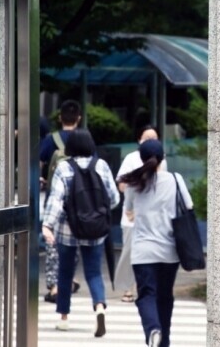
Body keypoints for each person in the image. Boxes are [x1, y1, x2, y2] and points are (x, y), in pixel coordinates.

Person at [42, 129, 120, 336]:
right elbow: (114, 198)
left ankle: (64, 318)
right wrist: (97, 212)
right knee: (94, 272)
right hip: (95, 229)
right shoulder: (101, 166)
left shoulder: (63, 167)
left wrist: (47, 225)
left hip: (68, 230)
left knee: (65, 272)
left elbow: (56, 200)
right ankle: (99, 308)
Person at [121, 139, 193, 347]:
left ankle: (153, 329)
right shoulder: (175, 179)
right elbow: (189, 206)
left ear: (141, 158)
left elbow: (128, 210)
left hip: (143, 252)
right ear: (163, 158)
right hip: (170, 251)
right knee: (165, 297)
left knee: (146, 295)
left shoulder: (134, 183)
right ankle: (164, 342)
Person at [114, 125, 167, 303]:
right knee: (129, 252)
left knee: (150, 255)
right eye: (147, 138)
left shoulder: (162, 160)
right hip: (132, 219)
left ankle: (143, 287)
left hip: (153, 218)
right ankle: (127, 288)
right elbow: (122, 185)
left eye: (154, 138)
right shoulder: (131, 158)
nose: (151, 141)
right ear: (139, 140)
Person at [39, 100, 82, 303]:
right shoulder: (84, 139)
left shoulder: (50, 140)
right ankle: (70, 279)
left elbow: (39, 163)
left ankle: (55, 286)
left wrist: (42, 178)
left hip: (54, 198)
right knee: (74, 242)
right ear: (79, 118)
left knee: (52, 243)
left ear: (59, 118)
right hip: (78, 200)